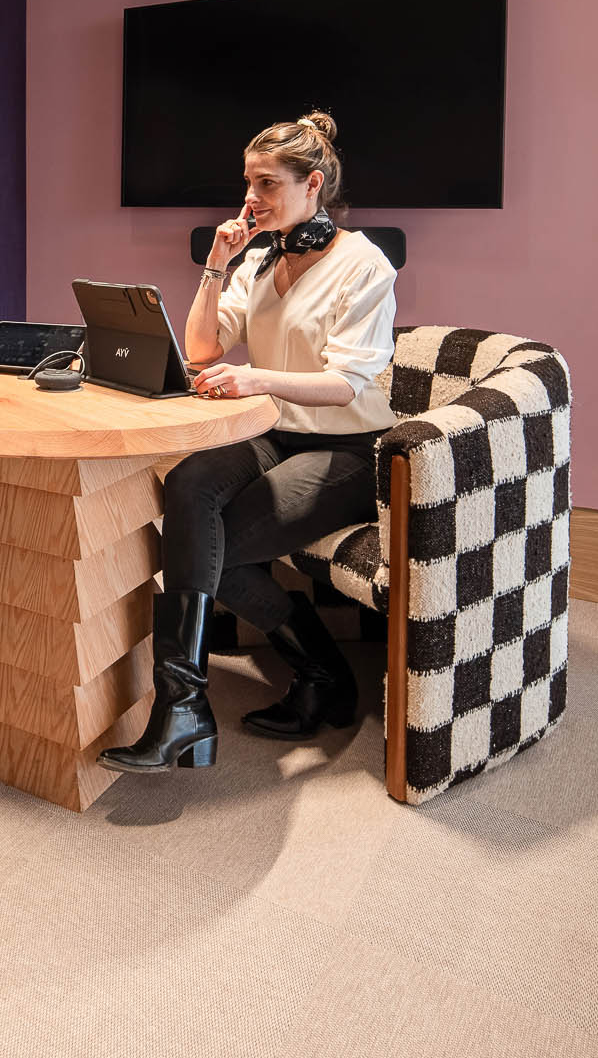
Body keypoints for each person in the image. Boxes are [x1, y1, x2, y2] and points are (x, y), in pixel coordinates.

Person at [100, 111, 396, 775]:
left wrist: (255, 377)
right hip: (272, 433)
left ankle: (303, 676)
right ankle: (187, 706)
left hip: (347, 448)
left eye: (266, 183)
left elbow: (347, 385)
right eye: (247, 182)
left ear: (312, 183)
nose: (250, 198)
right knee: (188, 485)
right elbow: (203, 348)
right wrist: (215, 265)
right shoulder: (261, 258)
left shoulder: (363, 264)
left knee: (215, 550)